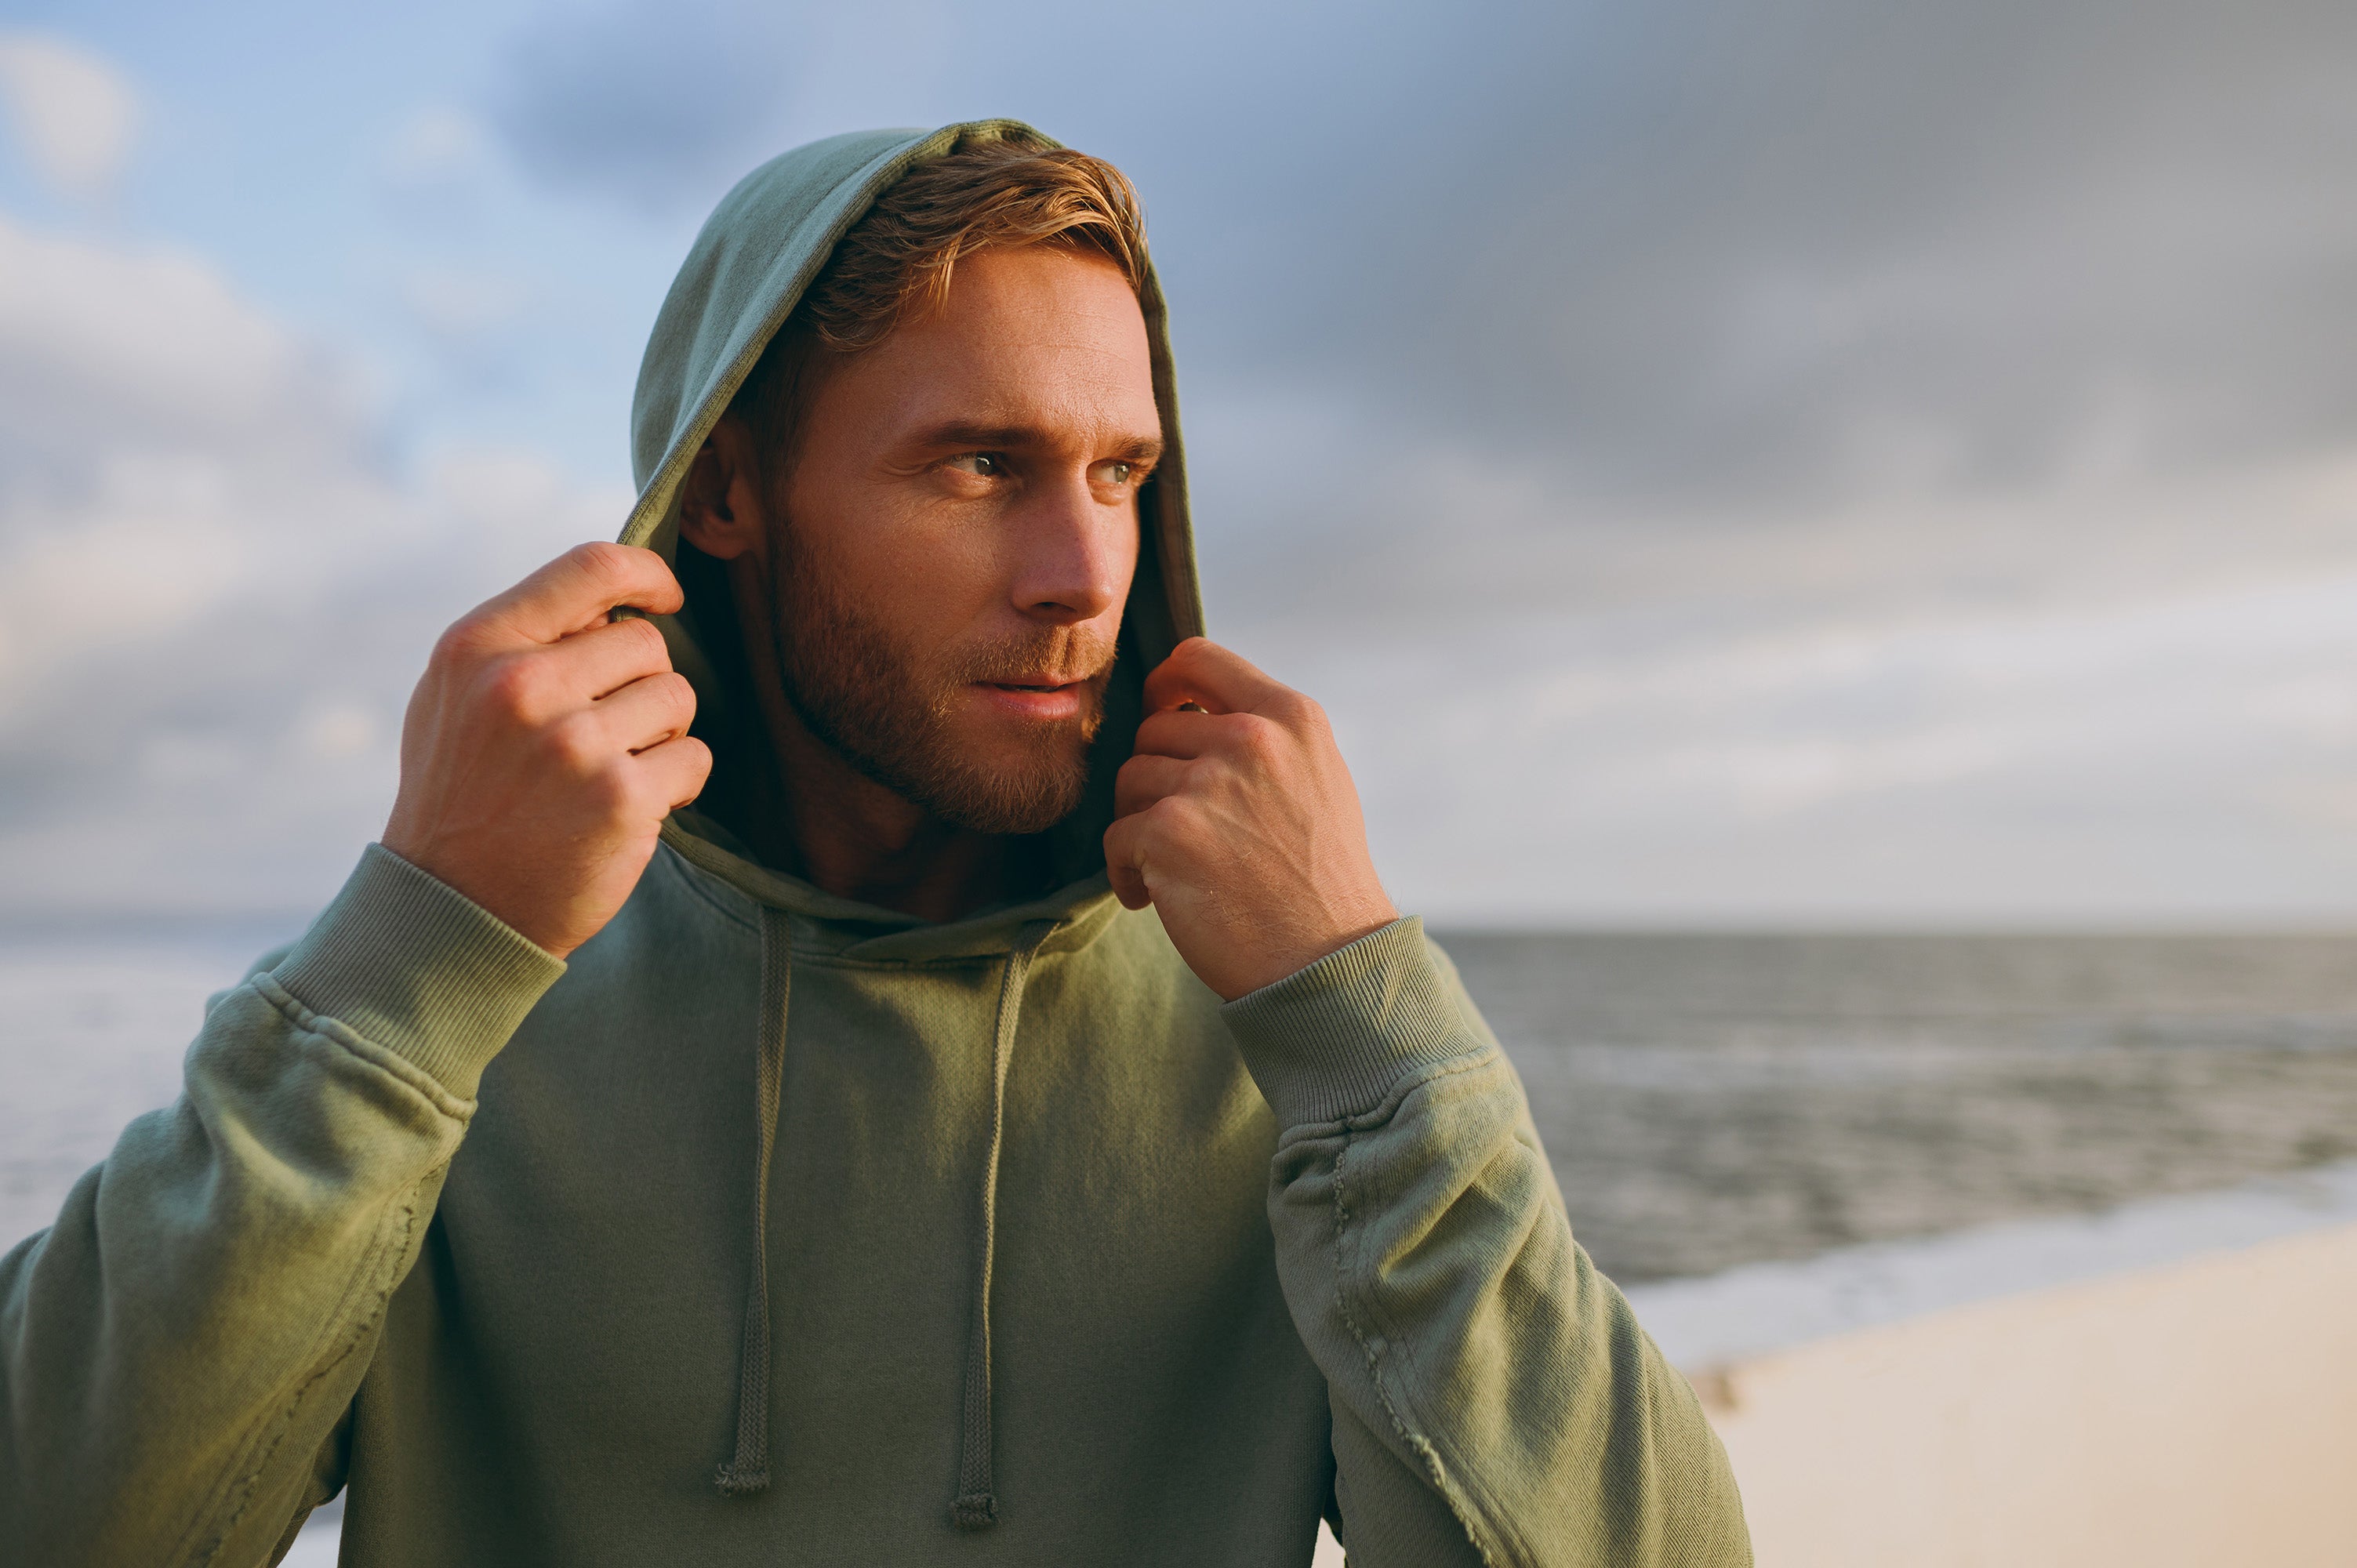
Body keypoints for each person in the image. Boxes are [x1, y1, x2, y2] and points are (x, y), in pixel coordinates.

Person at [0, 122, 1750, 1566]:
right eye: (984, 465)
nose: (1082, 576)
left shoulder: (1273, 1036)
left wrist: (1364, 1012)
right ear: (732, 492)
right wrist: (420, 940)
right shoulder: (463, 1001)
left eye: (1123, 473)